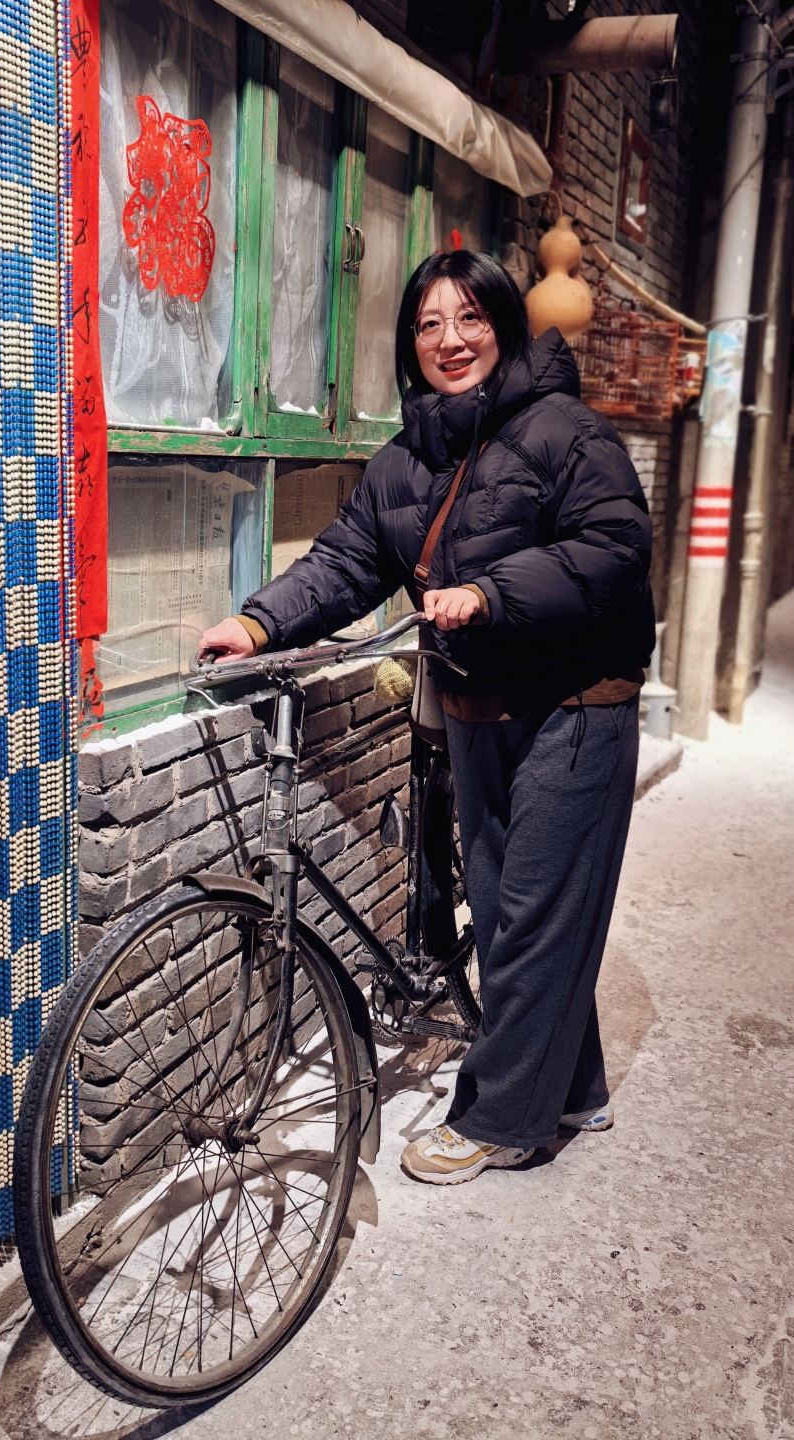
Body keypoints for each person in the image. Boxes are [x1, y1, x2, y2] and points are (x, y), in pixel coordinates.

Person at [198, 249, 654, 1186]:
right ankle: (574, 1086)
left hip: (574, 704)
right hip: (481, 705)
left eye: (470, 318)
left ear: (505, 326)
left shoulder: (568, 432)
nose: (449, 340)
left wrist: (489, 594)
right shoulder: (410, 455)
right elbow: (347, 559)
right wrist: (256, 620)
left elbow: (612, 549)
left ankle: (500, 1120)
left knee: (527, 907)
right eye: (428, 324)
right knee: (516, 906)